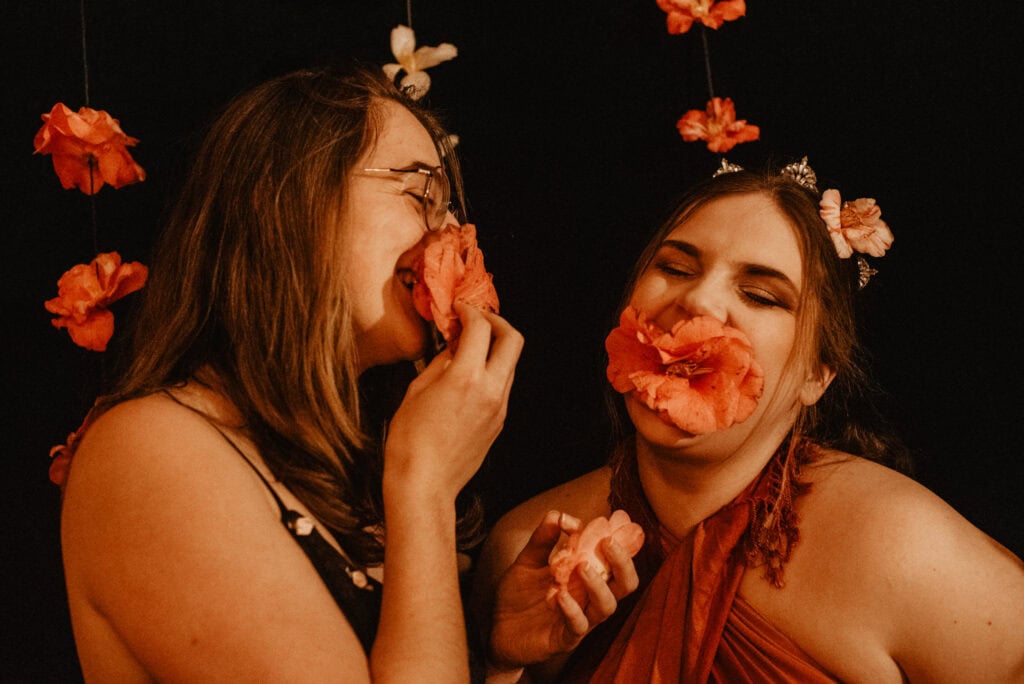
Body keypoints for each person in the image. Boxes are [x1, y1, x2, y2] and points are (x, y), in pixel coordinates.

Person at [52, 64, 536, 681]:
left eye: (450, 207)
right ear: (289, 197)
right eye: (421, 195)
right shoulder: (149, 449)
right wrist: (426, 486)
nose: (451, 233)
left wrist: (493, 661)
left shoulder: (332, 474)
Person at [473, 160, 1024, 682]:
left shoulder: (901, 546)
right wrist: (499, 670)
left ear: (818, 376)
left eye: (761, 294)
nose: (700, 301)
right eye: (675, 267)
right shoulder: (528, 547)